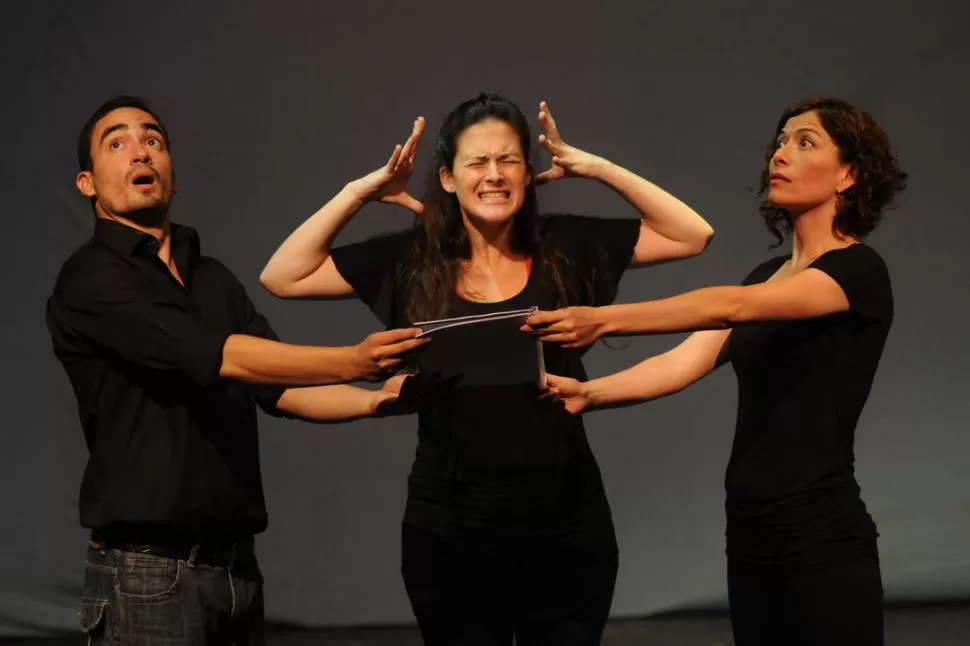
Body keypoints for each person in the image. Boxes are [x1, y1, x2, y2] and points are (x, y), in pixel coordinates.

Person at [260, 92, 715, 645]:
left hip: (566, 528)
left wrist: (594, 168)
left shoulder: (565, 245)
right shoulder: (414, 259)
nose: (494, 175)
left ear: (528, 174)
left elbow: (692, 235)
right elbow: (283, 276)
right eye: (477, 162)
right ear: (448, 178)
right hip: (450, 533)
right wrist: (361, 193)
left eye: (509, 160)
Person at [46, 96, 428, 645]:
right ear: (87, 183)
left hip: (234, 570)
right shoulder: (90, 279)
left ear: (173, 177)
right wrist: (355, 359)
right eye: (118, 143)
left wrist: (378, 397)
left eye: (153, 140)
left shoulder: (212, 278)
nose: (140, 152)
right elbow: (225, 356)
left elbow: (278, 387)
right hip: (147, 574)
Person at [526, 97, 907, 646]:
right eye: (780, 141)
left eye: (805, 142)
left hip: (821, 536)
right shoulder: (766, 274)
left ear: (848, 174)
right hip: (751, 534)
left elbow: (730, 306)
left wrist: (604, 320)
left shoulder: (859, 271)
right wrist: (590, 392)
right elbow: (685, 360)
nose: (781, 153)